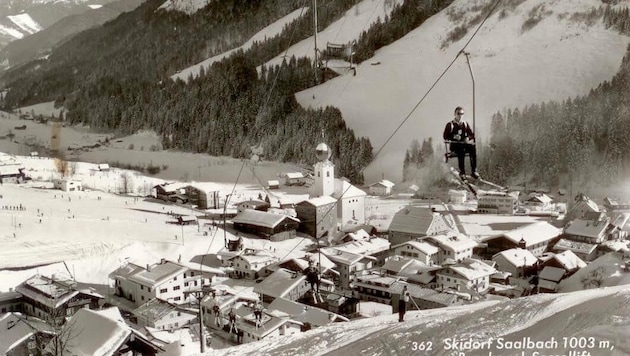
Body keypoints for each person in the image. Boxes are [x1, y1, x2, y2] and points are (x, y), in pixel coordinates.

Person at [443, 106, 479, 180]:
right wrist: (453, 137)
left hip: (463, 144)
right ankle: (462, 172)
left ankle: (474, 171)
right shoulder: (450, 125)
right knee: (461, 150)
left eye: (462, 114)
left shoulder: (465, 124)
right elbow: (445, 136)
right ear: (455, 114)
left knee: (472, 148)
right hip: (454, 146)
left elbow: (471, 134)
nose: (460, 116)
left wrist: (468, 138)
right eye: (458, 114)